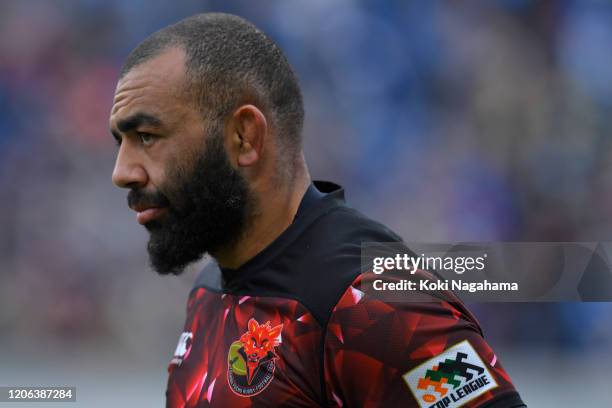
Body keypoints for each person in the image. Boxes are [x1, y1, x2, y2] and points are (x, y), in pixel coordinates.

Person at [109, 12, 526, 408]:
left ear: (244, 137)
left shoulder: (376, 304)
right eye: (120, 142)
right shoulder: (211, 288)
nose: (121, 173)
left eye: (147, 136)